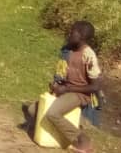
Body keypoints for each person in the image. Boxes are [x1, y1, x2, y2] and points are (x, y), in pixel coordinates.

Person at [47, 21, 103, 153]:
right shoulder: (68, 50)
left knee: (52, 113)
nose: (69, 34)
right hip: (66, 89)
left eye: (72, 32)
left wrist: (67, 89)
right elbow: (61, 73)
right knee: (33, 110)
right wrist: (56, 85)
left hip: (80, 94)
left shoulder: (88, 55)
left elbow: (95, 87)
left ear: (82, 36)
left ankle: (82, 140)